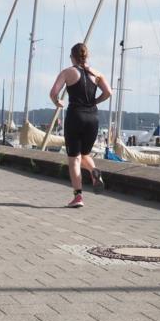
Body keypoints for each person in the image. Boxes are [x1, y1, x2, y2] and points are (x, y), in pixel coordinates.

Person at [49, 42, 112, 208]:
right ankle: (93, 171)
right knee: (85, 154)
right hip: (93, 117)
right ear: (86, 56)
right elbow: (109, 92)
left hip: (75, 116)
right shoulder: (96, 73)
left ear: (72, 57)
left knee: (74, 160)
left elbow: (53, 92)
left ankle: (78, 197)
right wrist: (95, 101)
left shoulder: (68, 72)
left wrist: (57, 102)